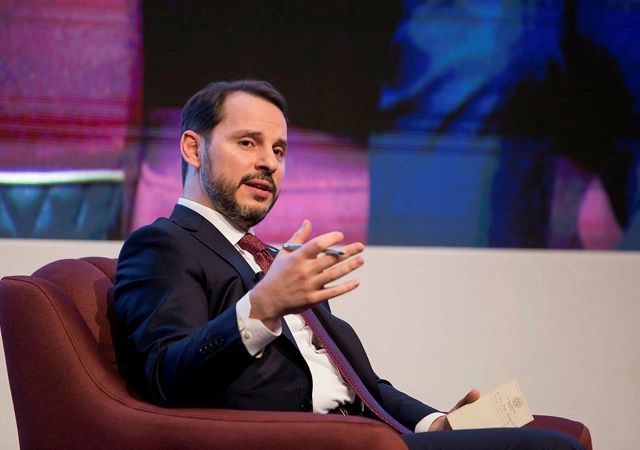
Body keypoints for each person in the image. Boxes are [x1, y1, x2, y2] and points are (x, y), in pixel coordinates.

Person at [114, 79, 584, 450]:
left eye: (278, 150)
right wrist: (261, 308)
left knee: (560, 435)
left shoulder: (276, 259)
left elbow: (358, 383)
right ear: (193, 149)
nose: (269, 163)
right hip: (306, 442)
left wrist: (434, 423)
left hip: (367, 436)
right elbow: (164, 377)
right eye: (248, 143)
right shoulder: (163, 245)